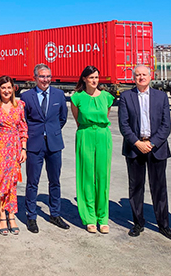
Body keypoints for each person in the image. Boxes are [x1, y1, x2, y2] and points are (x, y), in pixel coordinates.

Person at [118, 65, 171, 240]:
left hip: (156, 148)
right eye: (137, 75)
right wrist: (138, 143)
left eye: (144, 74)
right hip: (134, 148)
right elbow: (124, 125)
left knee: (159, 188)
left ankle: (163, 225)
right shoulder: (126, 97)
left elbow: (166, 124)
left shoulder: (161, 97)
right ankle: (138, 223)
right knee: (136, 188)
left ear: (150, 76)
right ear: (133, 77)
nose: (141, 77)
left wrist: (151, 143)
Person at [21, 64, 69, 233]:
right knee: (32, 182)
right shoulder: (26, 97)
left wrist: (52, 132)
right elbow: (23, 121)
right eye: (42, 76)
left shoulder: (59, 94)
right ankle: (31, 216)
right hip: (35, 145)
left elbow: (62, 118)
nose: (46, 79)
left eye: (48, 76)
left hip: (54, 145)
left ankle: (55, 214)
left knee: (55, 181)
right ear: (35, 78)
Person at [0, 75, 28, 235]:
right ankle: (2, 215)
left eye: (9, 87)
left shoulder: (20, 105)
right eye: (3, 88)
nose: (6, 91)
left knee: (11, 183)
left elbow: (23, 128)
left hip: (14, 149)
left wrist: (23, 148)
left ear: (13, 89)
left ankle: (12, 214)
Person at [70, 65, 114, 234]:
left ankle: (102, 217)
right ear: (84, 79)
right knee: (87, 176)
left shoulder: (106, 97)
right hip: (85, 134)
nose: (94, 80)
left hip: (103, 135)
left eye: (96, 77)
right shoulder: (77, 98)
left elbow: (106, 115)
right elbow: (77, 119)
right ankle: (89, 217)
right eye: (91, 78)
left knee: (103, 175)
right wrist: (87, 130)